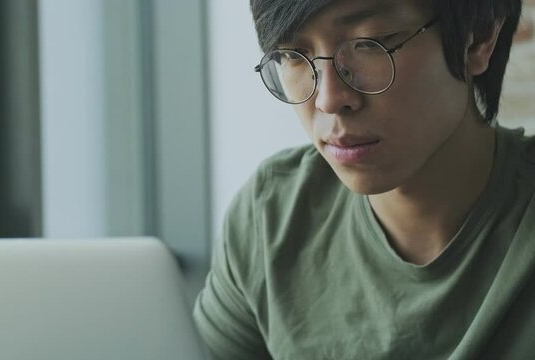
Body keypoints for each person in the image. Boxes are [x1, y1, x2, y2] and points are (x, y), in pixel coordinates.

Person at [193, 0, 534, 358]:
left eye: (370, 43)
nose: (328, 99)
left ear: (477, 39)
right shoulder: (270, 218)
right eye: (293, 55)